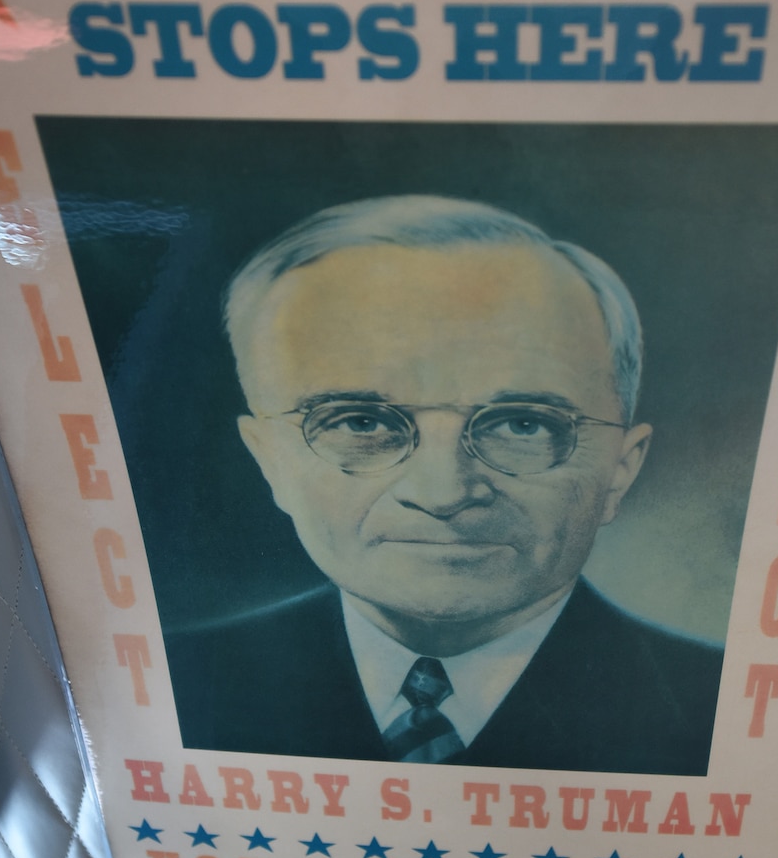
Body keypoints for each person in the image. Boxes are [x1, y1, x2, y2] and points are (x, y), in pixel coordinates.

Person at [170, 195, 722, 775]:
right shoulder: (175, 686)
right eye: (363, 423)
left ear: (620, 469)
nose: (443, 493)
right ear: (270, 461)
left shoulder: (717, 721)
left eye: (522, 424)